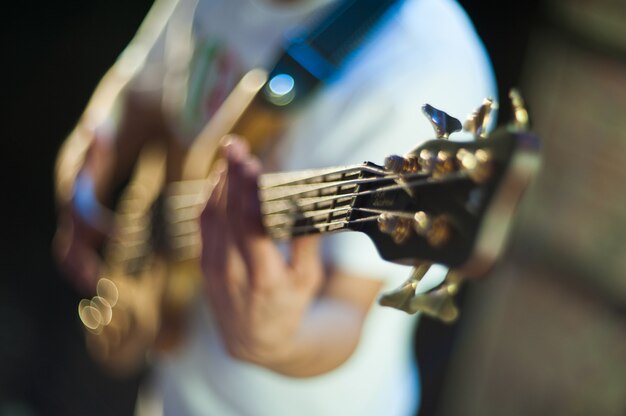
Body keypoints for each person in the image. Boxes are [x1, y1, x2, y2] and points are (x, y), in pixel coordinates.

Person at [53, 0, 496, 414]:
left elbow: (348, 310)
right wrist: (87, 167)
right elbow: (140, 86)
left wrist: (277, 339)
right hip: (172, 389)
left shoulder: (427, 68)